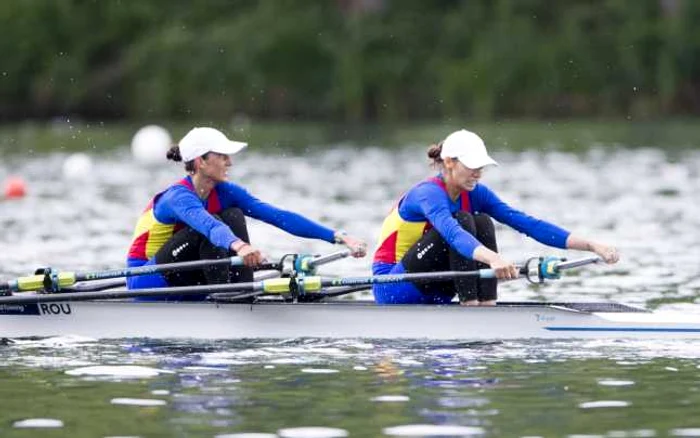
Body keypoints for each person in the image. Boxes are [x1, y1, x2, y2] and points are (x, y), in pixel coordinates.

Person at [372, 129, 619, 306]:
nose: (478, 173)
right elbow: (453, 234)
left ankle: (486, 304)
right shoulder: (427, 194)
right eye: (472, 166)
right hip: (394, 285)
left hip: (435, 284)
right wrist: (494, 259)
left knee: (482, 222)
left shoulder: (475, 193)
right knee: (463, 221)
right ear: (448, 162)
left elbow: (527, 224)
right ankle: (471, 307)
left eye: (481, 167)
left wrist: (592, 245)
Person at [126, 127, 366, 299]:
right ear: (201, 162)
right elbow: (209, 226)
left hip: (183, 272)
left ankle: (241, 293)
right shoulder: (177, 197)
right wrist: (240, 247)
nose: (229, 162)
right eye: (222, 156)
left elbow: (278, 216)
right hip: (146, 278)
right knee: (212, 225)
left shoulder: (225, 192)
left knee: (233, 215)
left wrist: (337, 236)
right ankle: (226, 298)